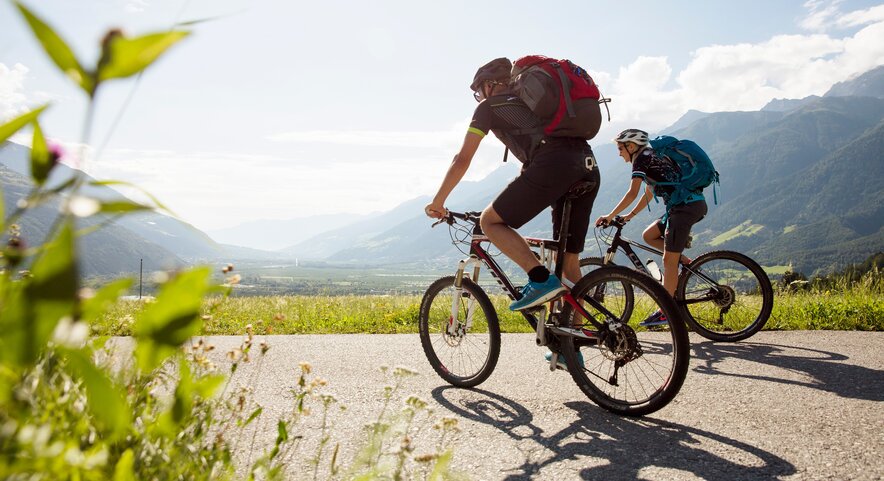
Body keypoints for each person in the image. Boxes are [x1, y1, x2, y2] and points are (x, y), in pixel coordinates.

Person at [424, 57, 601, 314]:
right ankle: (575, 342)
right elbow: (538, 150)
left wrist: (438, 201)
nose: (479, 97)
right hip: (587, 164)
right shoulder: (537, 105)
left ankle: (539, 278)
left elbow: (462, 159)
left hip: (554, 166)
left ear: (489, 85)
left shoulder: (488, 108)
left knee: (490, 222)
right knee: (568, 261)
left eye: (478, 91)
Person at [595, 128, 707, 325]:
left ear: (631, 146)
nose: (619, 153)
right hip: (685, 206)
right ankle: (685, 262)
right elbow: (648, 193)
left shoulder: (642, 158)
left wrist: (610, 215)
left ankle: (666, 311)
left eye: (621, 148)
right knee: (649, 235)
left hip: (684, 208)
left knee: (668, 260)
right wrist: (628, 216)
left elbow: (632, 193)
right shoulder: (651, 156)